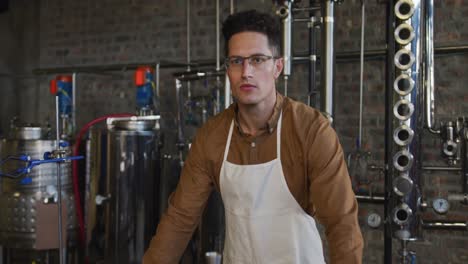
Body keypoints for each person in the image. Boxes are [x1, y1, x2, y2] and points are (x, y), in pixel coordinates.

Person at [143, 9, 363, 264]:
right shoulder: (211, 137)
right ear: (227, 69)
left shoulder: (311, 130)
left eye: (257, 59)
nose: (246, 72)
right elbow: (180, 218)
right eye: (237, 61)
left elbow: (341, 223)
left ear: (277, 66)